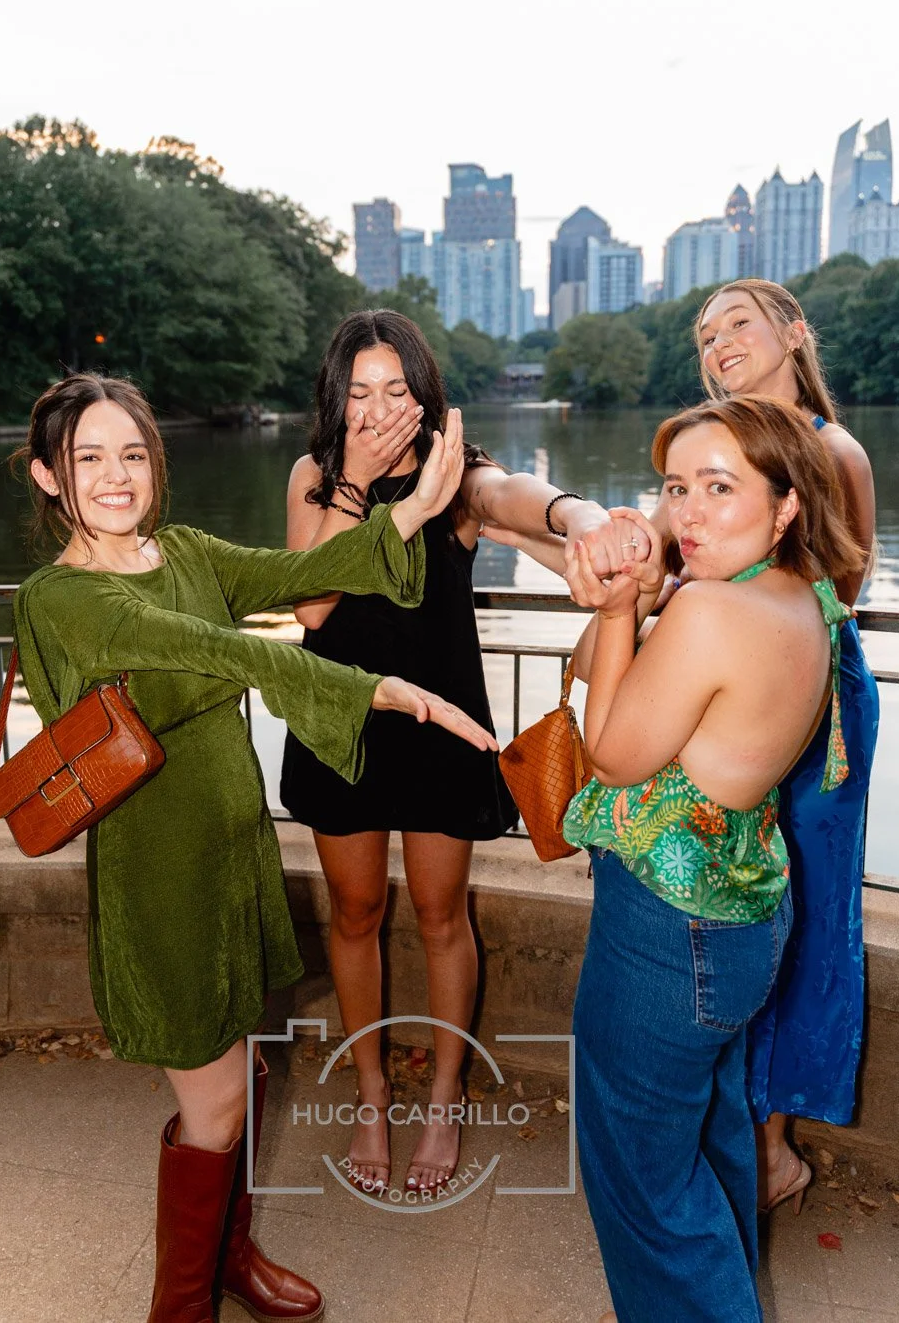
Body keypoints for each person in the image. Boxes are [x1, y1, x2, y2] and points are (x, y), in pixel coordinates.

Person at [11, 372, 499, 1323]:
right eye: (88, 459)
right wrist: (376, 689)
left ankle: (232, 1257)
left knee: (240, 1061)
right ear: (46, 476)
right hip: (160, 868)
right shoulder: (58, 597)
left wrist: (410, 515)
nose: (117, 476)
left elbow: (295, 581)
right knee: (214, 1103)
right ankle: (181, 1304)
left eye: (133, 453)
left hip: (230, 846)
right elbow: (221, 653)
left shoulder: (186, 551)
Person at [279, 308, 643, 1195]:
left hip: (443, 729)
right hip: (344, 726)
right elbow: (313, 607)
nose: (377, 409)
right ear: (337, 397)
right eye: (359, 392)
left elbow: (512, 496)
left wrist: (581, 511)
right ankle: (370, 1094)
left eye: (396, 389)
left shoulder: (457, 475)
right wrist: (359, 484)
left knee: (444, 916)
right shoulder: (315, 477)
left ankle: (443, 1098)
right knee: (355, 913)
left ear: (423, 392)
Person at [560, 396, 863, 1323]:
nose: (686, 512)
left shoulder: (713, 613)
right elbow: (590, 666)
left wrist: (621, 608)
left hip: (669, 933)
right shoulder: (802, 595)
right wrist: (640, 591)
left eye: (719, 488)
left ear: (785, 506)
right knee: (717, 1133)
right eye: (675, 487)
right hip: (742, 923)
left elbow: (609, 750)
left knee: (644, 1180)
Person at [695, 281, 879, 1212]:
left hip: (818, 716)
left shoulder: (832, 450)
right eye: (705, 333)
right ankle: (739, 1132)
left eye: (737, 324)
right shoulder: (722, 453)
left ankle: (771, 1148)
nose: (717, 341)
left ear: (793, 333)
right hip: (741, 699)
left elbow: (837, 598)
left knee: (799, 909)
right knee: (737, 897)